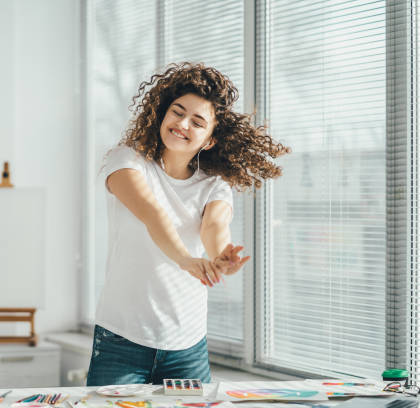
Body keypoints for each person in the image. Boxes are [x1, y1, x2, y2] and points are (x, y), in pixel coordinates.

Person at [87, 62, 290, 386]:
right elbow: (152, 213)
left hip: (187, 345)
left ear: (209, 140)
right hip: (122, 339)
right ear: (161, 114)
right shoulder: (127, 160)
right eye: (177, 112)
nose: (182, 123)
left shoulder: (214, 184)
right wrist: (185, 259)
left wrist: (220, 256)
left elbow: (214, 227)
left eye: (197, 121)